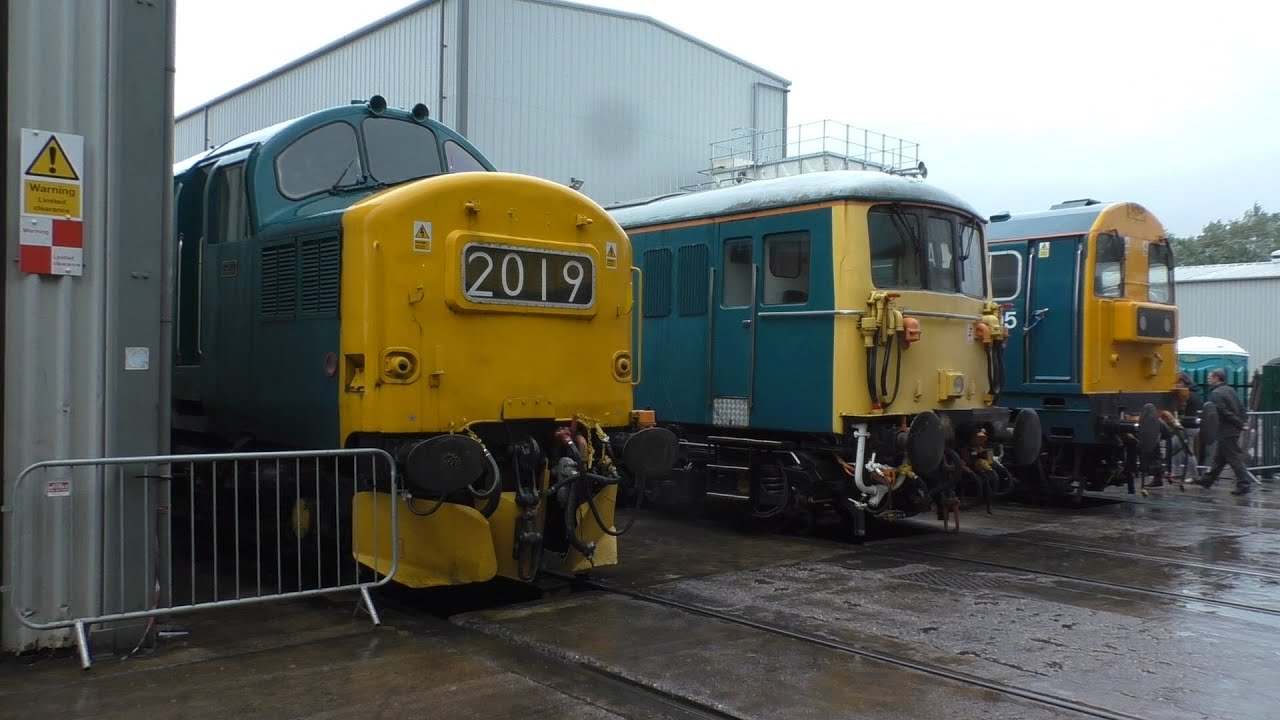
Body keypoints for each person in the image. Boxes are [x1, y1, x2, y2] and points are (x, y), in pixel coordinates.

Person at [1196, 369, 1257, 495]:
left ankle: (1244, 484)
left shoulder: (1216, 393)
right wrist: (1243, 421)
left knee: (1233, 457)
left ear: (1216, 378)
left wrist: (1240, 423)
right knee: (1220, 458)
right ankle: (1207, 480)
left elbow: (1223, 412)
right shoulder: (1230, 390)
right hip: (1233, 429)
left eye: (1210, 377)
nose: (1208, 380)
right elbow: (1241, 407)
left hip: (1225, 429)